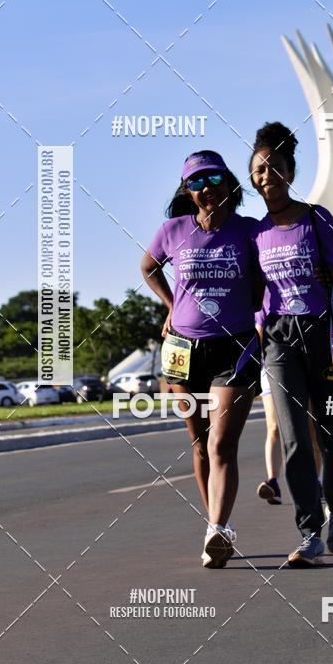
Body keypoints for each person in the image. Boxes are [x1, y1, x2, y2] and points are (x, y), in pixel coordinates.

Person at [140, 151, 262, 568]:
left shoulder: (250, 231)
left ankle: (218, 530)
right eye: (195, 182)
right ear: (188, 192)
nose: (205, 188)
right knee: (199, 443)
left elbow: (274, 274)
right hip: (181, 351)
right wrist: (171, 305)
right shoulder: (172, 231)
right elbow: (148, 268)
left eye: (212, 178)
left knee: (221, 442)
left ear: (229, 182)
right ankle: (214, 525)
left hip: (237, 348)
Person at [250, 122, 333, 568]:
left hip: (320, 335)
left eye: (274, 167)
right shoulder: (254, 234)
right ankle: (309, 532)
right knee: (293, 438)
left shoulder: (316, 218)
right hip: (277, 341)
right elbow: (254, 293)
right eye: (258, 170)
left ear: (291, 171)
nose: (266, 175)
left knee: (332, 437)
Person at [255, 304, 323, 506]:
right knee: (274, 427)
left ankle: (316, 481)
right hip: (272, 366)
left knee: (310, 428)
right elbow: (259, 333)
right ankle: (273, 482)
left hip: (304, 364)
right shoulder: (265, 297)